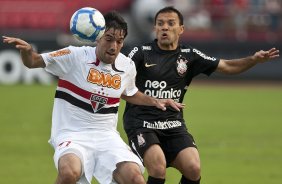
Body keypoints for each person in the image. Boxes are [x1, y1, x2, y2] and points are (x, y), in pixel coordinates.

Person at [2, 11, 184, 184]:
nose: (114, 46)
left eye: (120, 41)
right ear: (98, 37)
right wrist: (27, 51)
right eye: (109, 39)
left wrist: (155, 101)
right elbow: (33, 61)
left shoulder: (127, 65)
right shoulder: (74, 55)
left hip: (106, 136)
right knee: (68, 173)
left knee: (135, 179)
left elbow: (129, 93)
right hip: (72, 134)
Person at [123, 6, 280, 184]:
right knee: (158, 167)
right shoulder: (141, 52)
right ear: (155, 28)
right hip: (141, 124)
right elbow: (118, 77)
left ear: (181, 29)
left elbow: (227, 67)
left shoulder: (189, 55)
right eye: (160, 24)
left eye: (170, 23)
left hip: (173, 125)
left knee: (193, 167)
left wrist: (254, 60)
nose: (164, 27)